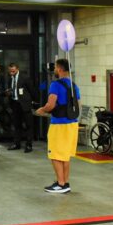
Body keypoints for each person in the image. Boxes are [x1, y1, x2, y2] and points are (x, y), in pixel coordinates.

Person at [35, 59, 80, 194]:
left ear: (59, 69)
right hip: (72, 123)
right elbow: (78, 104)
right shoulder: (74, 85)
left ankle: (60, 184)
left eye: (55, 67)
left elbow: (51, 105)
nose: (54, 70)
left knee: (54, 154)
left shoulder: (55, 85)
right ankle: (65, 182)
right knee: (65, 155)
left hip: (59, 124)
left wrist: (41, 110)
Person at [7, 63, 37, 153]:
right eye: (10, 70)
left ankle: (29, 145)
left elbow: (32, 90)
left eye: (13, 70)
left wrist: (34, 101)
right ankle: (17, 144)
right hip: (15, 104)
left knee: (28, 125)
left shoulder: (25, 78)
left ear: (17, 69)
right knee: (17, 125)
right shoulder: (10, 79)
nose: (11, 72)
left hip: (25, 104)